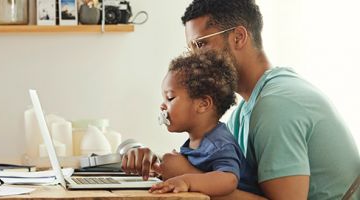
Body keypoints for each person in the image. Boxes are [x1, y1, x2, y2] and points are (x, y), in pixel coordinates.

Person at [122, 0, 360, 199]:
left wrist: (188, 175)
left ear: (238, 37)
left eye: (201, 44)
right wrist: (159, 164)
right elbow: (226, 172)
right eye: (191, 48)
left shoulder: (277, 105)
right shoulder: (245, 110)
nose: (195, 58)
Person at [146, 50, 261, 196]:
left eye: (170, 98)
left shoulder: (219, 143)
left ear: (203, 104)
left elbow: (228, 179)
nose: (162, 106)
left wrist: (186, 181)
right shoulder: (197, 142)